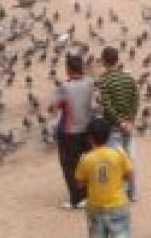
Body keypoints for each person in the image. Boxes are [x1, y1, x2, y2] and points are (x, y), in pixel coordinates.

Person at [74, 117, 133, 238]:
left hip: (95, 206)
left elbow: (80, 183)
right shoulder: (119, 153)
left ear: (90, 138)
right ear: (109, 135)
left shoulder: (85, 158)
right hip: (118, 204)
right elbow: (130, 176)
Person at [51, 53, 95, 210]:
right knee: (88, 162)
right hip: (87, 129)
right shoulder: (90, 83)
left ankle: (77, 199)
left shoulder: (64, 87)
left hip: (69, 132)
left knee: (70, 166)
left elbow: (54, 108)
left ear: (68, 69)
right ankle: (90, 194)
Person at [95, 47, 139, 202]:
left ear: (103, 61)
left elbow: (106, 105)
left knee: (115, 160)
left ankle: (120, 193)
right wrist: (131, 120)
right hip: (129, 124)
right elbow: (136, 98)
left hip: (113, 126)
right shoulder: (128, 77)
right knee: (129, 158)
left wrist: (119, 122)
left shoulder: (103, 81)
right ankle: (132, 192)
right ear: (117, 59)